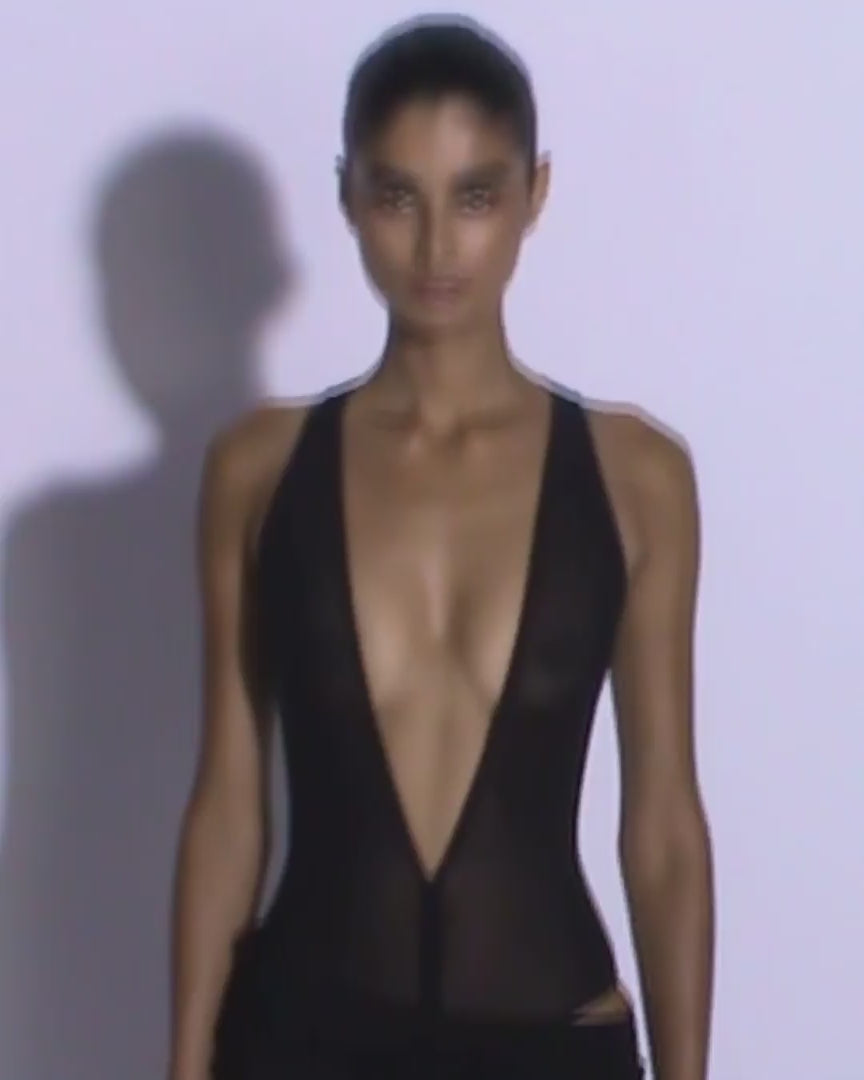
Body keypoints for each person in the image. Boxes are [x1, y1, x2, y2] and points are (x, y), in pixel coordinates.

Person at [168, 16, 714, 1080]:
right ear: (347, 196)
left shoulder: (638, 477)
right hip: (303, 1040)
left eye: (474, 196)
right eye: (396, 196)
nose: (433, 248)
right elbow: (228, 808)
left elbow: (663, 827)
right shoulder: (257, 470)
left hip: (549, 1043)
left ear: (533, 195)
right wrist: (184, 1069)